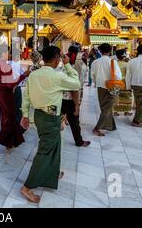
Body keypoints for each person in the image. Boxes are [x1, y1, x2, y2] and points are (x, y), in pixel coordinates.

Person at [19, 46, 80, 203]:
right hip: (49, 117)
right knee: (45, 151)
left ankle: (52, 173)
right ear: (56, 60)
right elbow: (76, 83)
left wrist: (25, 115)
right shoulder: (57, 76)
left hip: (40, 115)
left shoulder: (33, 75)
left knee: (55, 146)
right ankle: (27, 187)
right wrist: (68, 66)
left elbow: (26, 96)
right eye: (60, 59)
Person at [0, 51, 30, 159]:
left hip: (0, 94)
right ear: (4, 53)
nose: (9, 54)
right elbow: (10, 84)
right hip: (7, 95)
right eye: (7, 52)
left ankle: (10, 142)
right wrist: (23, 76)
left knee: (5, 119)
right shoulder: (5, 66)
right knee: (10, 121)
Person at [62, 45, 91, 147]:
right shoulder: (74, 70)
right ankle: (79, 141)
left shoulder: (60, 69)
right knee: (74, 121)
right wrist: (77, 105)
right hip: (70, 99)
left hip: (58, 99)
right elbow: (74, 89)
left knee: (56, 120)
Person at [91, 43, 122, 136]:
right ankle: (97, 128)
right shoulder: (113, 62)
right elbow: (118, 76)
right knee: (107, 108)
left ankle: (110, 125)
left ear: (100, 51)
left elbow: (92, 75)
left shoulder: (95, 62)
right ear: (110, 51)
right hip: (111, 87)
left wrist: (96, 82)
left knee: (104, 107)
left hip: (100, 86)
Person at [9, 53, 28, 134]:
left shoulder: (5, 63)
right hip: (15, 89)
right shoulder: (14, 64)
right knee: (17, 109)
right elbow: (21, 76)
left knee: (11, 110)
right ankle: (18, 129)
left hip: (9, 89)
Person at [113, 49, 133, 117]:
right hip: (124, 82)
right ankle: (126, 111)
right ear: (124, 56)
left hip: (116, 82)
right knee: (126, 97)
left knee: (116, 96)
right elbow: (128, 74)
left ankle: (115, 111)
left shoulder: (114, 63)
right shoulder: (127, 64)